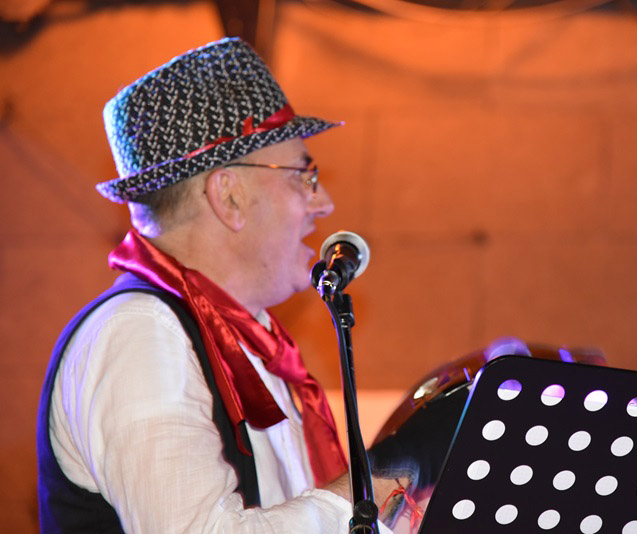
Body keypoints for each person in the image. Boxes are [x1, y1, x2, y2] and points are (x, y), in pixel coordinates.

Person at [36, 37, 411, 533]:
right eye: (303, 175)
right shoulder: (139, 334)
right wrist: (368, 490)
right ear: (228, 195)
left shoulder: (246, 341)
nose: (324, 202)